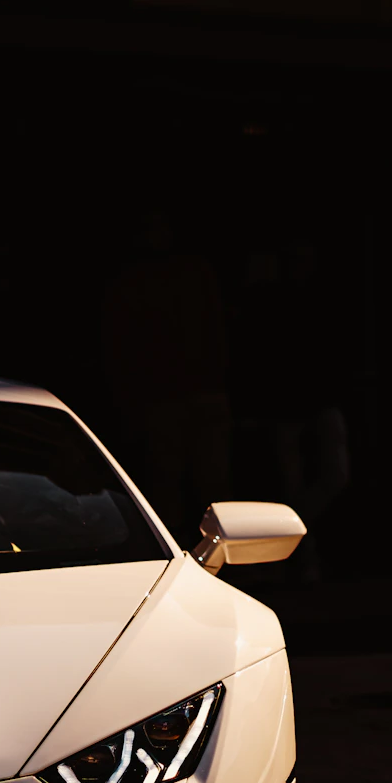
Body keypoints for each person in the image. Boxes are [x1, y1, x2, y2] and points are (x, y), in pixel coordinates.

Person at [101, 210, 231, 543]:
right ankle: (176, 550)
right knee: (166, 481)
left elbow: (215, 329)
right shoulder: (135, 280)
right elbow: (124, 342)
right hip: (162, 397)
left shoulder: (193, 273)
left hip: (198, 392)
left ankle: (219, 550)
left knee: (209, 480)